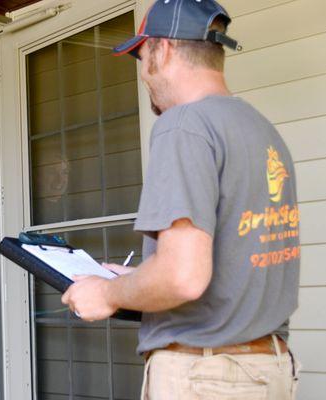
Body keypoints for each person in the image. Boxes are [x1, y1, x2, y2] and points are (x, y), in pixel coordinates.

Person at [61, 1, 301, 399]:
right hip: (267, 371)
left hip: (206, 376)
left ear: (163, 49)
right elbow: (226, 265)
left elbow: (183, 276)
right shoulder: (261, 131)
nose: (142, 75)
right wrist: (138, 281)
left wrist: (104, 293)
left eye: (140, 56)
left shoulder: (184, 124)